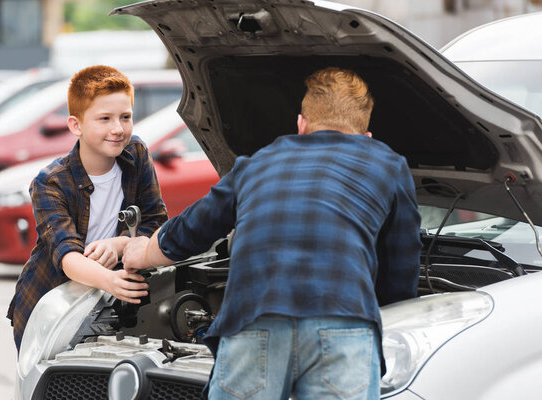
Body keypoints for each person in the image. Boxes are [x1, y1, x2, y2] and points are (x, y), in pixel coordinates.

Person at [122, 67, 422, 399]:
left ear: (301, 125)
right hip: (343, 322)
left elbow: (191, 230)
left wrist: (140, 252)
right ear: (366, 138)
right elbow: (401, 267)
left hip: (253, 317)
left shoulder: (257, 163)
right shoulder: (388, 163)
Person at [7, 65, 168, 351]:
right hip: (49, 306)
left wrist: (119, 244)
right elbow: (67, 256)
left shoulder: (137, 153)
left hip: (112, 304)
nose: (118, 129)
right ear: (75, 125)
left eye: (125, 117)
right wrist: (109, 279)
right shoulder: (49, 182)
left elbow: (156, 220)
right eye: (104, 119)